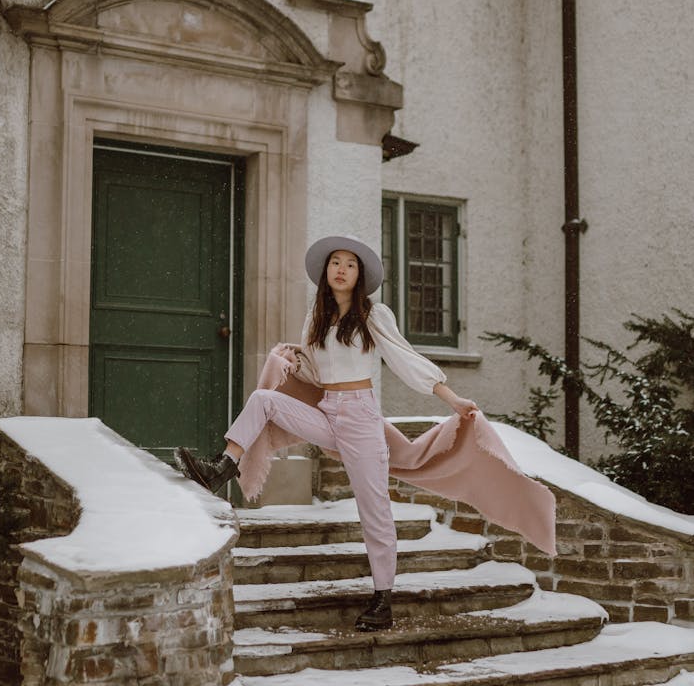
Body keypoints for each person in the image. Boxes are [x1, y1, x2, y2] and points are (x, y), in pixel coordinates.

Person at [175, 234, 478, 632]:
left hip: (362, 419)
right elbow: (315, 376)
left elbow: (407, 360)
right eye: (335, 262)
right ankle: (223, 466)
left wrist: (452, 399)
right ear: (326, 271)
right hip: (328, 411)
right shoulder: (316, 317)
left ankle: (383, 599)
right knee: (264, 400)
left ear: (359, 275)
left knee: (375, 513)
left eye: (350, 264)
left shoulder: (373, 316)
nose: (341, 269)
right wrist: (287, 360)